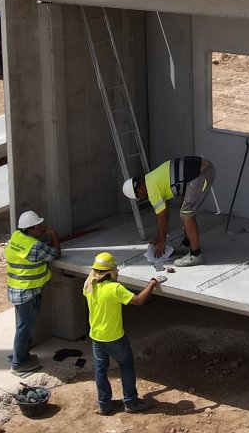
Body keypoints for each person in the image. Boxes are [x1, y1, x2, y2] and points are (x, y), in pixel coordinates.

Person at [84, 251, 164, 415]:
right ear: (110, 271)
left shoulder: (88, 286)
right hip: (114, 337)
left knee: (100, 370)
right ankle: (131, 402)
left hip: (96, 336)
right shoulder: (115, 288)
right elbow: (139, 300)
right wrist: (153, 283)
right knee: (126, 365)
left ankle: (104, 404)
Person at [121, 156, 214, 267]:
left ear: (138, 190)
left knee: (186, 215)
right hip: (203, 170)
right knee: (184, 208)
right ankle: (187, 243)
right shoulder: (151, 178)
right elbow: (164, 211)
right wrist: (159, 237)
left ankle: (196, 255)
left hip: (202, 174)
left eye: (139, 197)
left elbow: (162, 217)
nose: (142, 197)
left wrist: (162, 242)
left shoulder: (151, 190)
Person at [5, 209, 60, 373]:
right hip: (27, 293)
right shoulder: (35, 247)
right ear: (30, 230)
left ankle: (21, 355)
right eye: (38, 226)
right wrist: (53, 235)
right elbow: (56, 254)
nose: (42, 228)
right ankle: (18, 363)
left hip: (18, 290)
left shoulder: (16, 236)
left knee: (23, 326)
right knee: (25, 328)